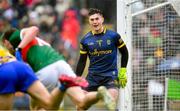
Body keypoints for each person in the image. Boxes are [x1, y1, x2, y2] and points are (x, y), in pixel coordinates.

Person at [0, 26, 115, 110]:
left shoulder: (16, 37)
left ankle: (62, 87)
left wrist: (19, 48)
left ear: (6, 41)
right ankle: (99, 94)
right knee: (81, 102)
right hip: (62, 65)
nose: (7, 49)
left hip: (44, 69)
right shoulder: (40, 43)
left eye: (5, 45)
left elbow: (34, 29)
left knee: (37, 108)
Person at [0, 45, 85, 110]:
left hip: (5, 70)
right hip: (21, 67)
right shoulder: (3, 49)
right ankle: (63, 86)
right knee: (50, 105)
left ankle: (63, 86)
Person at [76, 8, 129, 108]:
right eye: (92, 20)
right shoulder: (85, 40)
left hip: (110, 76)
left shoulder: (113, 36)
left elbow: (124, 52)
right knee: (80, 105)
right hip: (92, 77)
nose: (95, 22)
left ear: (102, 20)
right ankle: (98, 94)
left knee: (111, 103)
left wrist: (123, 70)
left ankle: (103, 97)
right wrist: (77, 78)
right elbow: (82, 61)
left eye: (97, 19)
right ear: (89, 21)